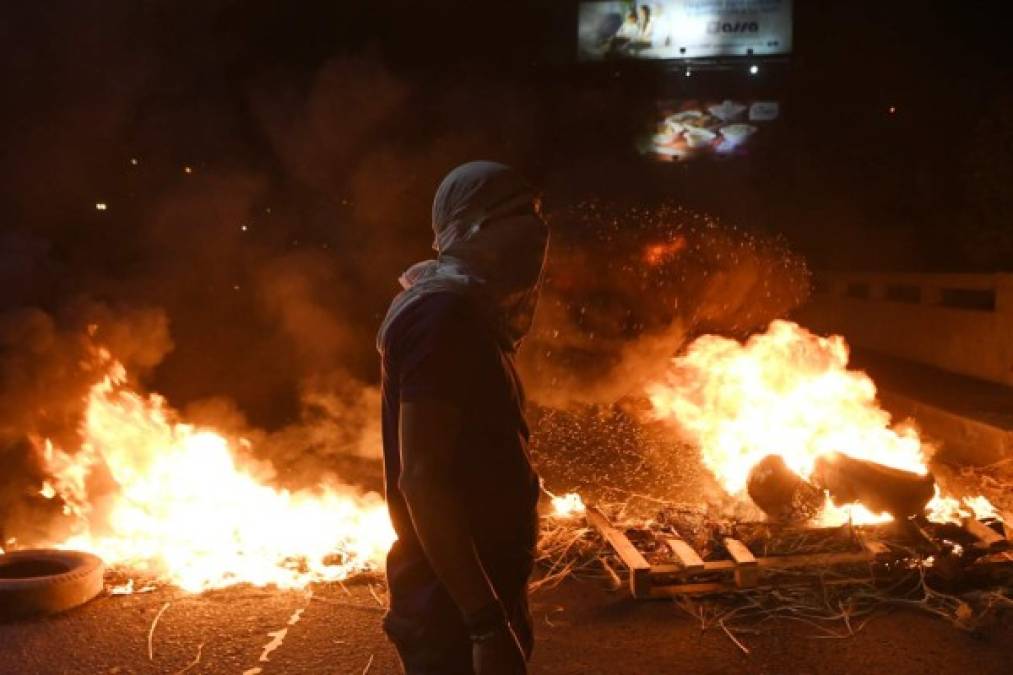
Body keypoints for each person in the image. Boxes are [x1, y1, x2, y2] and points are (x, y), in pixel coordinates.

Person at [376, 161, 549, 675]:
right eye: (519, 214)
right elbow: (423, 478)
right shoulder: (441, 319)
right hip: (451, 611)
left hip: (478, 595)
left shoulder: (468, 313)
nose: (537, 231)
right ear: (474, 227)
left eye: (538, 214)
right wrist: (485, 625)